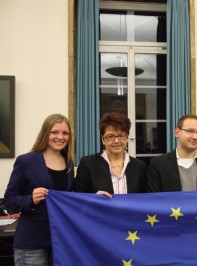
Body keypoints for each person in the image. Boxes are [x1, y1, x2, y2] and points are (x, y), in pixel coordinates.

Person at [4, 114, 75, 265]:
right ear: (45, 133)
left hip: (60, 242)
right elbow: (9, 200)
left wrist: (96, 197)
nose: (60, 137)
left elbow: (72, 198)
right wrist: (31, 200)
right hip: (32, 244)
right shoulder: (26, 161)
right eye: (54, 132)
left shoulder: (69, 163)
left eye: (65, 133)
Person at [74, 112, 147, 197]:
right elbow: (77, 198)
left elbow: (145, 200)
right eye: (110, 136)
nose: (116, 141)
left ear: (127, 138)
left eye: (121, 136)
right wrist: (93, 198)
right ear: (103, 140)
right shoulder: (88, 164)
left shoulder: (140, 166)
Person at [147, 114, 197, 192]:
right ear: (177, 132)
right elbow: (154, 199)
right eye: (190, 131)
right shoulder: (158, 164)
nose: (195, 137)